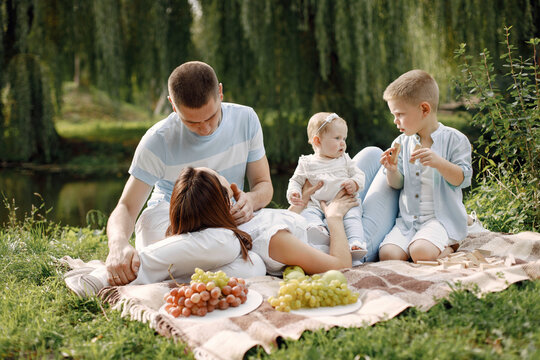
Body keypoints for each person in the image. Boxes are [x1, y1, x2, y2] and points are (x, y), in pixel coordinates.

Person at [105, 61, 273, 286]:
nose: (205, 129)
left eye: (211, 117)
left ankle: (154, 270)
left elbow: (264, 185)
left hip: (223, 220)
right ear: (172, 105)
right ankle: (121, 273)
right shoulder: (157, 140)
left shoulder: (246, 119)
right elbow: (126, 206)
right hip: (169, 220)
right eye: (192, 122)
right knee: (237, 253)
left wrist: (251, 199)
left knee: (250, 263)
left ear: (220, 92)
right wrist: (118, 245)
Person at [67, 167, 358, 296]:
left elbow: (278, 225)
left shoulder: (239, 230)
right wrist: (334, 217)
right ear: (224, 203)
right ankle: (107, 276)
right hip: (350, 221)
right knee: (370, 155)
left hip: (313, 209)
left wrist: (301, 205)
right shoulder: (261, 241)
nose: (235, 186)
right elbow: (340, 265)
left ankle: (110, 274)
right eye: (226, 184)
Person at [378, 69, 472, 263]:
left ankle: (451, 246)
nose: (395, 121)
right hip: (408, 222)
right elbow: (397, 184)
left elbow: (463, 180)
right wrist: (392, 170)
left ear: (424, 109)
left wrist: (438, 162)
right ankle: (423, 247)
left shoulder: (455, 139)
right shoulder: (402, 142)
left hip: (440, 220)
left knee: (420, 253)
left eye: (400, 114)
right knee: (388, 255)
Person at [286, 112, 367, 264]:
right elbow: (295, 181)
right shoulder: (306, 162)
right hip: (316, 203)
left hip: (345, 202)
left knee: (352, 218)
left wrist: (354, 183)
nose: (342, 143)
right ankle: (317, 229)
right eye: (337, 138)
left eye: (344, 138)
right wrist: (294, 193)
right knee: (308, 214)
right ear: (317, 141)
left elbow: (359, 175)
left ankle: (355, 243)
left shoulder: (344, 159)